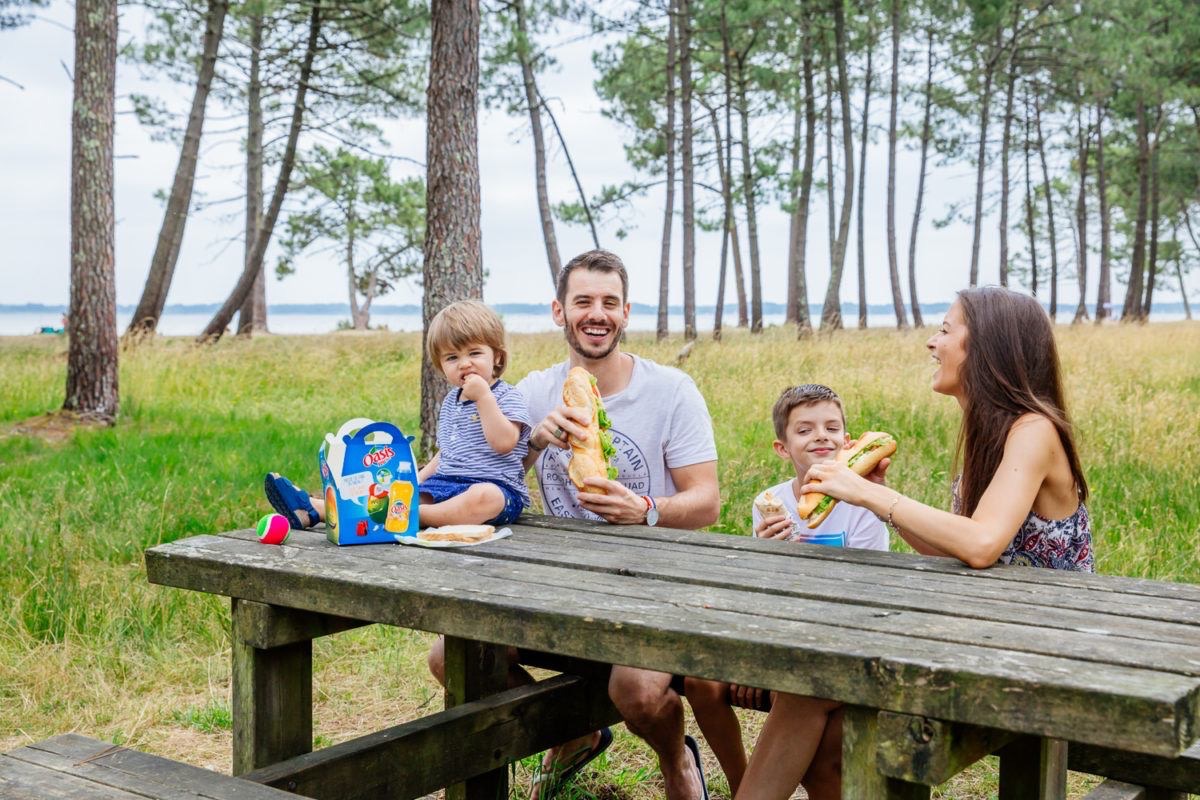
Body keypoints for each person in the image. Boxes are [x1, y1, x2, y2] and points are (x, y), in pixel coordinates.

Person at [735, 285, 1093, 800]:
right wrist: (877, 496)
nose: (932, 342)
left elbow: (981, 545)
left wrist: (869, 495)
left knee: (811, 683)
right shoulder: (989, 430)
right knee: (825, 733)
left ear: (987, 347)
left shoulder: (1033, 429)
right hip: (997, 629)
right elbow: (958, 550)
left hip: (1042, 649)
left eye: (946, 330)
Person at [427, 249, 721, 800]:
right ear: (559, 311)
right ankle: (576, 733)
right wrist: (536, 439)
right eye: (583, 301)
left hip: (650, 581)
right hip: (553, 580)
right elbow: (493, 477)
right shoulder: (532, 390)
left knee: (637, 692)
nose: (597, 313)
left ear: (626, 312)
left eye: (610, 302)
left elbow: (706, 503)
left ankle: (677, 762)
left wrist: (646, 509)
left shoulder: (671, 391)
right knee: (451, 658)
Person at [683, 384, 887, 798]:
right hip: (779, 630)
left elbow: (866, 598)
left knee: (807, 711)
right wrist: (768, 557)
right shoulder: (770, 502)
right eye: (805, 430)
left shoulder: (866, 506)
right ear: (783, 447)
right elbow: (762, 594)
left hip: (838, 637)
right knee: (700, 679)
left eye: (832, 428)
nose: (821, 437)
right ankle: (741, 781)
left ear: (847, 443)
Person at [263, 299, 530, 530]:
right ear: (441, 365)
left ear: (497, 357)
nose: (464, 363)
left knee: (485, 497)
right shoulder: (452, 400)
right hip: (445, 484)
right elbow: (447, 452)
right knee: (398, 493)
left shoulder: (506, 396)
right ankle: (316, 510)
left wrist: (484, 398)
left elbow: (504, 443)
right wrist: (415, 480)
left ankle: (407, 516)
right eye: (452, 358)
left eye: (475, 353)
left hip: (496, 489)